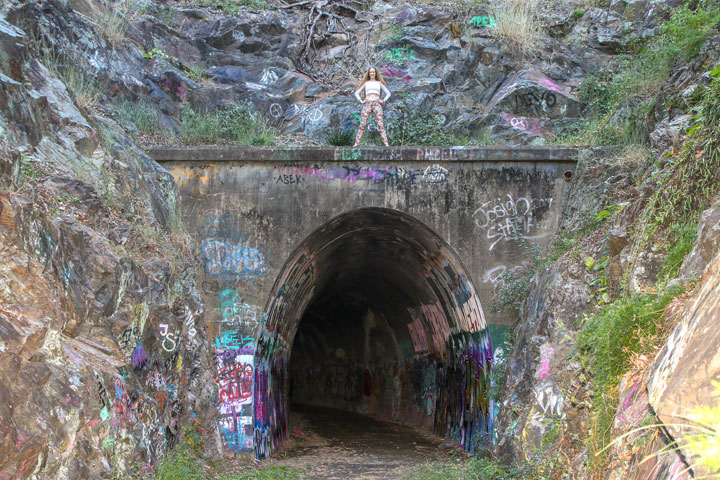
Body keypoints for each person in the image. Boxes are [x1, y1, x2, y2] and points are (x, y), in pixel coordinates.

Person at [353, 66, 391, 147]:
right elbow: (356, 93)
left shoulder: (379, 83)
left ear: (376, 73)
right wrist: (361, 100)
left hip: (377, 103)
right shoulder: (366, 83)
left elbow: (388, 93)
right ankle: (356, 143)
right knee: (362, 124)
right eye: (370, 72)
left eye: (373, 72)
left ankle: (386, 143)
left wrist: (383, 100)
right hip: (367, 103)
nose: (372, 73)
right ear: (369, 73)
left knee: (380, 124)